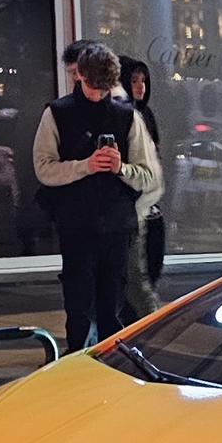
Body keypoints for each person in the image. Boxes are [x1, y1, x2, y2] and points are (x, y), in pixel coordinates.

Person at [32, 45, 159, 349]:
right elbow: (43, 168)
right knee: (79, 309)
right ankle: (77, 366)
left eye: (104, 88)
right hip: (77, 225)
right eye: (91, 85)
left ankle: (107, 369)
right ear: (80, 76)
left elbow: (148, 175)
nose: (96, 94)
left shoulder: (126, 117)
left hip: (117, 226)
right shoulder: (57, 113)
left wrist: (121, 168)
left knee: (112, 309)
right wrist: (85, 166)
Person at [121, 55, 165, 318]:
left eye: (144, 81)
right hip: (131, 206)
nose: (140, 86)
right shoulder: (123, 116)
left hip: (149, 203)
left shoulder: (145, 114)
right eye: (134, 80)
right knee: (137, 277)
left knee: (150, 266)